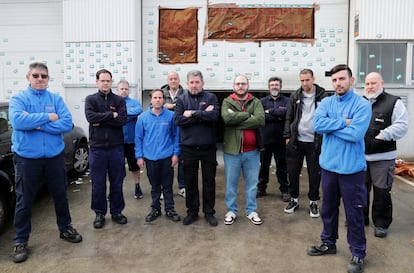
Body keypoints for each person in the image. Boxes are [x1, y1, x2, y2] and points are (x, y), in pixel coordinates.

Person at [9, 62, 82, 263]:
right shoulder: (19, 99)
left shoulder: (56, 99)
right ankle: (20, 240)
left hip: (53, 158)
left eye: (44, 76)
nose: (40, 79)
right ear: (28, 77)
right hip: (26, 159)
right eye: (36, 75)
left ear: (48, 78)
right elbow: (17, 122)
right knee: (24, 201)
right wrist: (48, 118)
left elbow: (67, 123)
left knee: (60, 196)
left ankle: (65, 228)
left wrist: (37, 125)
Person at [307, 64, 371, 273]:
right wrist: (344, 122)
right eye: (334, 80)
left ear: (351, 81)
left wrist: (332, 127)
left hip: (351, 170)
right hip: (329, 167)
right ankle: (328, 243)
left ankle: (358, 253)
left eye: (342, 79)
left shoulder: (362, 105)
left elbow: (355, 135)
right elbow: (317, 125)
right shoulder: (326, 102)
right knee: (328, 209)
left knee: (354, 213)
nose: (338, 83)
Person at [363, 72, 408, 238]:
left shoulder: (393, 102)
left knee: (381, 192)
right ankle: (361, 219)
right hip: (361, 157)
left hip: (382, 157)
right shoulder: (361, 102)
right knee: (361, 191)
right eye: (367, 83)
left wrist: (382, 135)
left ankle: (381, 223)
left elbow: (402, 125)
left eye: (373, 83)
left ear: (382, 83)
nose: (370, 86)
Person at [174, 70, 220, 226]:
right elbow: (178, 120)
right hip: (189, 148)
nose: (194, 85)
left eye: (197, 82)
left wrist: (192, 114)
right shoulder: (181, 100)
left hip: (208, 147)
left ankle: (209, 212)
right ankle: (192, 212)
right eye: (191, 82)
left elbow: (214, 117)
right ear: (187, 84)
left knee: (209, 182)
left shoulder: (211, 97)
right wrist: (201, 114)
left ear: (203, 83)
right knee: (190, 182)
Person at [85, 69, 128, 229]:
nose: (105, 83)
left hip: (116, 148)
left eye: (108, 80)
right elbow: (90, 118)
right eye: (102, 80)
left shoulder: (118, 100)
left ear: (111, 82)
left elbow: (122, 120)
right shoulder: (91, 100)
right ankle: (99, 213)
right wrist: (111, 115)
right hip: (97, 149)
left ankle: (117, 212)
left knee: (117, 182)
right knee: (98, 183)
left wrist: (101, 119)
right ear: (97, 82)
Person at [283, 69, 328, 217]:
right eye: (302, 80)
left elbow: (329, 117)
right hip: (297, 141)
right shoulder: (295, 95)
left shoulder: (323, 95)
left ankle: (313, 202)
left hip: (315, 142)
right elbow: (289, 116)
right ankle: (294, 199)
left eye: (307, 80)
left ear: (313, 78)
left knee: (314, 173)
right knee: (293, 172)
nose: (304, 83)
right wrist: (287, 136)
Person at [221, 75, 265, 225]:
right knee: (230, 184)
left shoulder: (256, 101)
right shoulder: (227, 101)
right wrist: (248, 115)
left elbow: (260, 120)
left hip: (252, 152)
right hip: (232, 151)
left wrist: (237, 120)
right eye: (238, 83)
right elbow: (227, 119)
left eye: (243, 83)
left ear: (248, 85)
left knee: (252, 184)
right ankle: (231, 211)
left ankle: (251, 210)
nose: (240, 86)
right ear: (234, 86)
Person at [135, 89, 181, 222]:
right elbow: (138, 138)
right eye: (155, 97)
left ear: (164, 100)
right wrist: (139, 156)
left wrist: (176, 154)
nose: (158, 100)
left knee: (167, 185)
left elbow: (176, 136)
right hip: (150, 158)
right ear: (150, 99)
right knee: (154, 186)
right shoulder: (143, 118)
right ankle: (155, 208)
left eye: (160, 97)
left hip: (167, 157)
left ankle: (170, 209)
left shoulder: (170, 116)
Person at [257, 77, 290, 201]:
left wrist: (270, 112)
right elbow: (260, 116)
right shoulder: (262, 101)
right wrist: (278, 115)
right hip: (265, 140)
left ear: (280, 87)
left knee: (282, 166)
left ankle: (285, 190)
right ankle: (261, 188)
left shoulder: (287, 100)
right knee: (263, 166)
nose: (274, 87)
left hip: (281, 140)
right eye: (272, 85)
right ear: (268, 87)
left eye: (277, 85)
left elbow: (287, 113)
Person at [116, 80, 144, 199]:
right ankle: (116, 189)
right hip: (117, 141)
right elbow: (110, 115)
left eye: (126, 89)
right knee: (117, 167)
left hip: (132, 141)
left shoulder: (134, 102)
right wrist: (127, 115)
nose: (124, 91)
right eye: (122, 89)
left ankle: (137, 186)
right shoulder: (113, 102)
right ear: (118, 90)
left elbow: (138, 111)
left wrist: (120, 114)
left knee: (134, 166)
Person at [161, 71, 186, 198]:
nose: (173, 81)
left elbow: (187, 108)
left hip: (181, 130)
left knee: (181, 160)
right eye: (171, 79)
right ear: (167, 80)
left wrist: (171, 106)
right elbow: (153, 106)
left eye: (175, 78)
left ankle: (182, 187)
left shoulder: (185, 94)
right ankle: (165, 188)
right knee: (166, 162)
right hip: (165, 131)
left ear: (179, 80)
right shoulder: (160, 93)